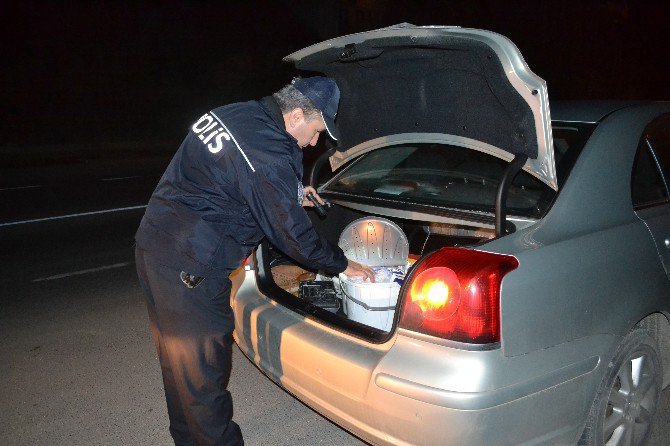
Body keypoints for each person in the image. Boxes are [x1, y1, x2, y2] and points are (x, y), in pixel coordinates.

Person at [134, 76, 375, 446]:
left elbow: (239, 172)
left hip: (156, 245)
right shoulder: (266, 152)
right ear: (295, 115)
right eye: (314, 131)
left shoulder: (238, 113)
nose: (314, 143)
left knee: (180, 368)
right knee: (202, 379)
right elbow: (293, 236)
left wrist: (294, 191)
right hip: (190, 266)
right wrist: (343, 265)